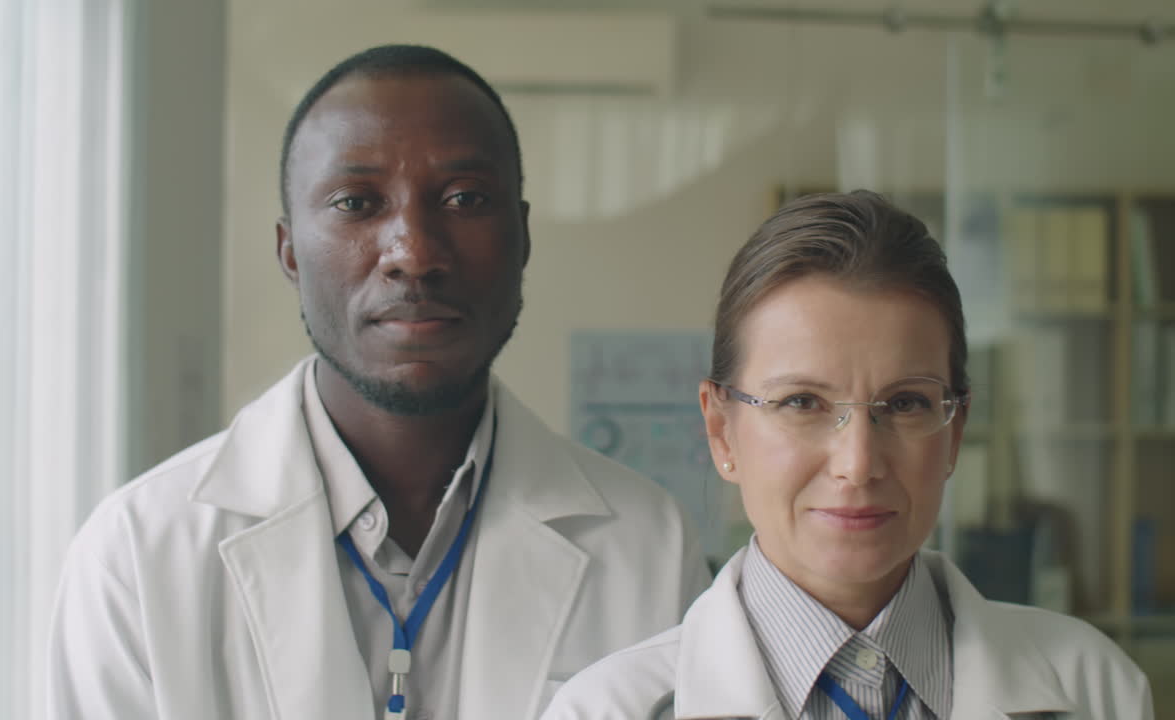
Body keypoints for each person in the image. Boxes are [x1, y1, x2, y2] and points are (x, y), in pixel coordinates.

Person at [47, 44, 710, 720]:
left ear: (523, 239)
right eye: (356, 202)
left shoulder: (648, 547)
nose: (414, 254)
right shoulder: (137, 553)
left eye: (466, 198)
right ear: (289, 254)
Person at [541, 191, 1152, 720]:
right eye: (802, 401)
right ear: (722, 430)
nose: (858, 464)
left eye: (907, 403)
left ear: (955, 431)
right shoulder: (605, 708)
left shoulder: (1095, 689)